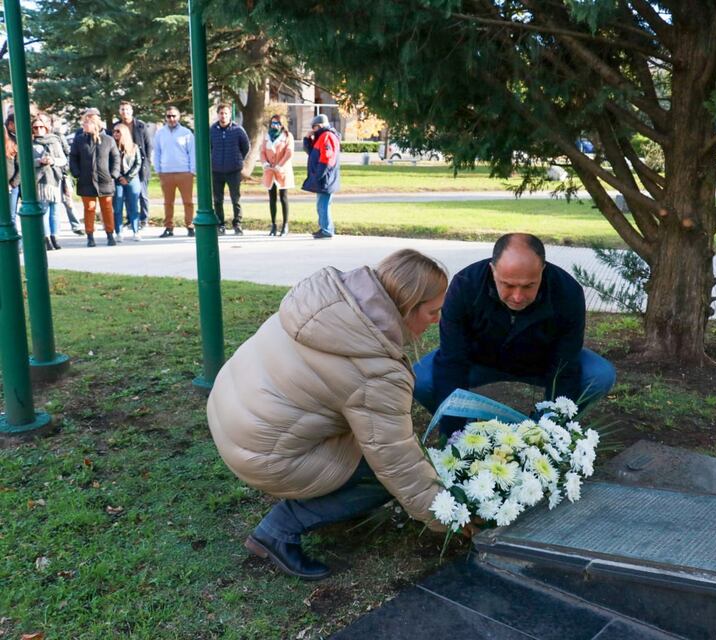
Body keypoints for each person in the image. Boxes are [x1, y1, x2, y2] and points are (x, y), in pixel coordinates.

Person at [207, 249, 450, 580]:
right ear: (407, 306)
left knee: (368, 440)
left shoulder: (326, 300)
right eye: (433, 311)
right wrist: (448, 516)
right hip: (264, 455)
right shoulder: (376, 372)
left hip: (231, 416)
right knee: (381, 478)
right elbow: (397, 464)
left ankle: (328, 503)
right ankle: (278, 530)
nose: (437, 319)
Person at [414, 233, 617, 437]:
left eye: (529, 286)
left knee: (599, 375)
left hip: (542, 364)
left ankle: (537, 431)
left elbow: (565, 367)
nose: (518, 297)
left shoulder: (567, 292)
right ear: (493, 270)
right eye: (508, 285)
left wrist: (549, 433)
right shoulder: (465, 285)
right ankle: (470, 431)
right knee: (420, 378)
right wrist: (453, 436)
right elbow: (452, 361)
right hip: (478, 361)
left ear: (542, 271)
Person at [69, 110, 120, 247]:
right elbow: (73, 157)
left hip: (105, 180)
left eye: (86, 122)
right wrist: (76, 172)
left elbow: (115, 157)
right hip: (86, 180)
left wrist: (114, 174)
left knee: (107, 208)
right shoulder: (79, 140)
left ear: (95, 124)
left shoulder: (108, 140)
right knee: (89, 208)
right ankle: (90, 236)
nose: (83, 125)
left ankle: (110, 234)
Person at [152, 106, 195, 238]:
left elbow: (192, 152)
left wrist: (192, 170)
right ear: (165, 118)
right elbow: (157, 152)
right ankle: (168, 227)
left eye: (174, 116)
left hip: (184, 172)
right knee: (168, 202)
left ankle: (190, 226)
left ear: (179, 117)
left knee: (188, 201)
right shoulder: (160, 133)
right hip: (166, 173)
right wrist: (158, 169)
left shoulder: (186, 133)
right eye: (169, 116)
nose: (171, 119)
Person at [209, 103, 250, 235]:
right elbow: (209, 147)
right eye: (221, 113)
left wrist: (238, 160)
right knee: (217, 199)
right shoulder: (212, 130)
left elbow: (246, 147)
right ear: (218, 114)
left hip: (233, 170)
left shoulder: (238, 130)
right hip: (217, 170)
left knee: (235, 199)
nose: (223, 116)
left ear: (229, 115)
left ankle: (237, 224)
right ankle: (220, 224)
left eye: (226, 113)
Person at [30, 112, 68, 251]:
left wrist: (52, 161)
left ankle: (54, 236)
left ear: (46, 128)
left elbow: (63, 159)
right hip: (40, 181)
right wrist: (39, 161)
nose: (38, 129)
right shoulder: (30, 143)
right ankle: (46, 239)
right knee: (44, 211)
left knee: (55, 211)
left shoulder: (54, 141)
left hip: (54, 179)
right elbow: (25, 161)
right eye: (35, 127)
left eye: (41, 126)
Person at [114, 101, 153, 228]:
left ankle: (143, 219)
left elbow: (148, 146)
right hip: (123, 165)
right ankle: (130, 220)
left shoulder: (141, 126)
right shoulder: (116, 126)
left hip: (140, 164)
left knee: (142, 195)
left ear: (132, 111)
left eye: (127, 109)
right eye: (122, 109)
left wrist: (146, 162)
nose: (125, 112)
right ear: (119, 112)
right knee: (125, 196)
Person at [302, 114, 340, 239]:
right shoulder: (321, 137)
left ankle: (327, 230)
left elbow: (327, 158)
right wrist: (307, 139)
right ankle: (324, 227)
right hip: (324, 177)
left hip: (325, 178)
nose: (313, 130)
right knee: (321, 204)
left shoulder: (327, 136)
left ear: (321, 126)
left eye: (315, 127)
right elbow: (311, 152)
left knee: (323, 205)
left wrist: (318, 174)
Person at [259, 114, 294, 236]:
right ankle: (273, 225)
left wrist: (280, 164)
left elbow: (289, 152)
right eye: (273, 123)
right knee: (272, 198)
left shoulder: (287, 136)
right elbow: (262, 151)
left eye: (277, 123)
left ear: (282, 124)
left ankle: (285, 225)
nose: (275, 125)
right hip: (270, 171)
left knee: (283, 197)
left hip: (282, 170)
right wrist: (265, 164)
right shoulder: (267, 136)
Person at [112, 123, 143, 241]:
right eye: (114, 131)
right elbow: (110, 163)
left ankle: (136, 230)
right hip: (117, 179)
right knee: (117, 206)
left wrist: (128, 177)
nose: (115, 133)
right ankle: (119, 232)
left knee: (133, 206)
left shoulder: (134, 147)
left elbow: (138, 163)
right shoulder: (111, 146)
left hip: (131, 179)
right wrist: (118, 176)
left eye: (118, 131)